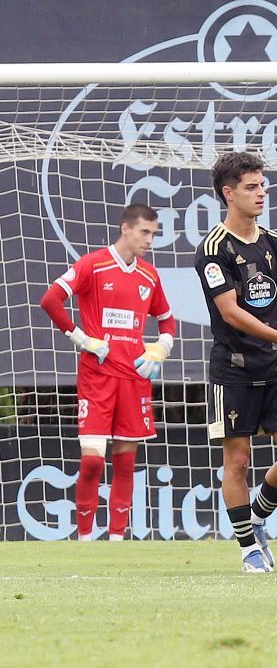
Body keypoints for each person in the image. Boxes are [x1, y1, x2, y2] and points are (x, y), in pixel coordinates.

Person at [196, 152, 277, 573]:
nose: (262, 193)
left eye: (263, 185)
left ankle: (252, 521)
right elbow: (231, 312)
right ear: (228, 193)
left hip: (274, 369)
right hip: (233, 370)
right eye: (252, 187)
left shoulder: (271, 242)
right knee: (237, 462)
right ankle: (248, 549)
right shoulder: (214, 249)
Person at [40, 203, 176, 541]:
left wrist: (160, 349)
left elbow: (167, 319)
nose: (149, 240)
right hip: (97, 376)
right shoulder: (93, 264)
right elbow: (51, 300)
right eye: (144, 232)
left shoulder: (149, 274)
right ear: (125, 229)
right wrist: (82, 338)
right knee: (92, 462)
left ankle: (117, 541)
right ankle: (85, 539)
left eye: (153, 234)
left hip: (134, 378)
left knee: (126, 462)